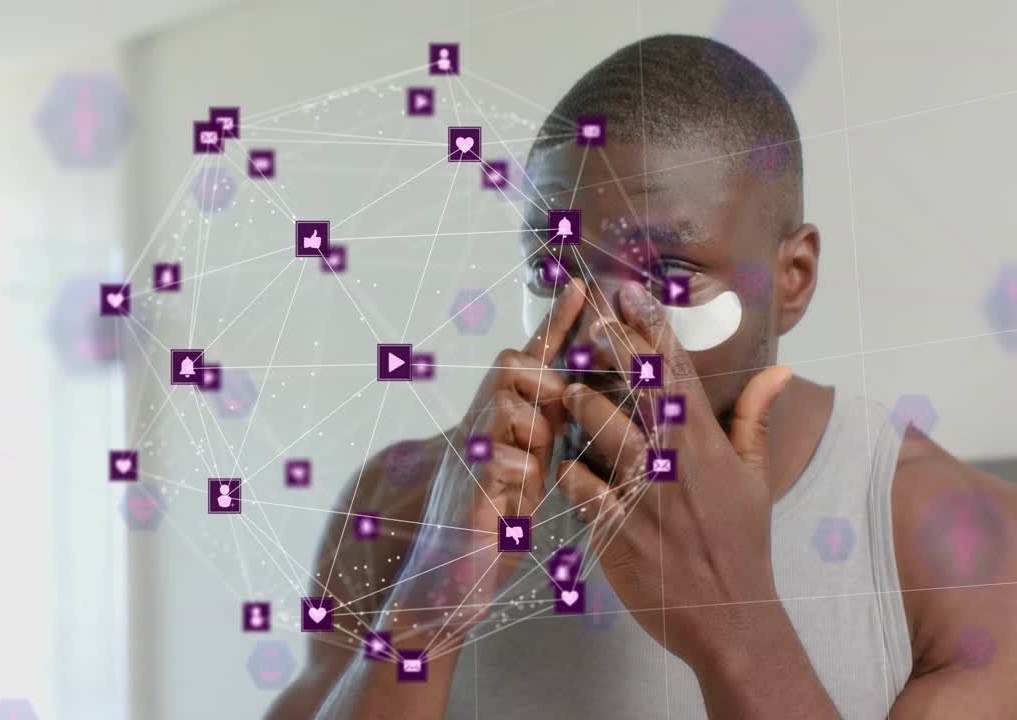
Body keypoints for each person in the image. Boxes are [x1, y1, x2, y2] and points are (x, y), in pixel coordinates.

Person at [267, 34, 1017, 718]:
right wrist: (428, 601)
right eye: (552, 268)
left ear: (793, 278)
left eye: (666, 273)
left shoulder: (960, 543)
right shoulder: (405, 501)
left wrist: (736, 621)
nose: (594, 331)